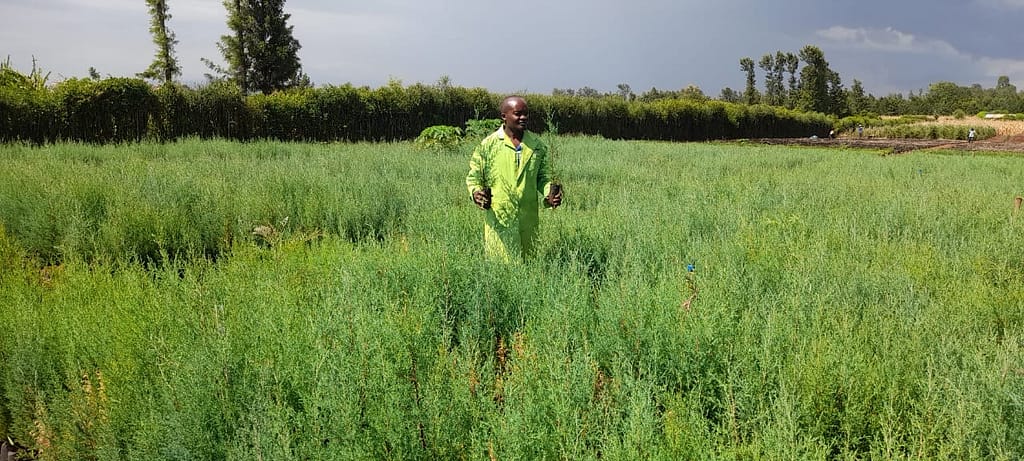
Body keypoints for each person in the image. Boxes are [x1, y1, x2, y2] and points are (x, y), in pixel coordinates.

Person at [465, 96, 562, 262]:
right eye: (518, 114)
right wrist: (476, 193)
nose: (523, 118)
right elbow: (474, 177)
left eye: (526, 114)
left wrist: (550, 193)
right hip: (500, 218)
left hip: (528, 219)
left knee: (528, 266)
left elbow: (543, 177)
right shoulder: (488, 145)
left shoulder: (537, 146)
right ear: (504, 116)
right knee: (500, 267)